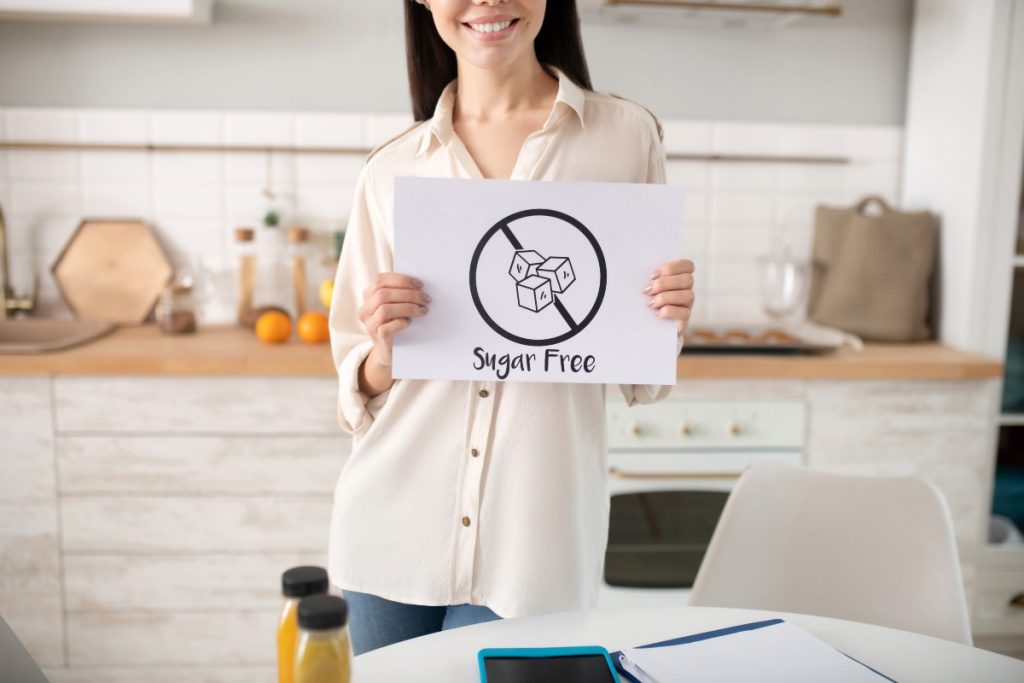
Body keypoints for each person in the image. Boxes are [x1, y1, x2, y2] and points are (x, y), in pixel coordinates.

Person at [327, 0, 696, 655]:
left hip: (535, 545)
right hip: (390, 530)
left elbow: (640, 377)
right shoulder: (390, 168)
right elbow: (358, 389)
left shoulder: (625, 135)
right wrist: (383, 346)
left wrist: (664, 318)